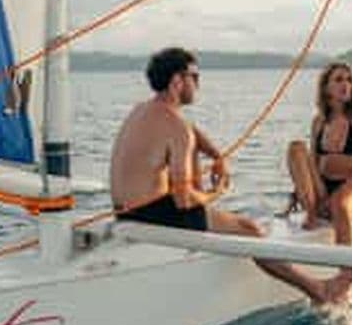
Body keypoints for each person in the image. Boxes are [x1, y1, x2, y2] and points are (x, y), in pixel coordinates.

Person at [111, 46, 333, 303]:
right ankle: (317, 289)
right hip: (155, 213)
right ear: (177, 81)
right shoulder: (176, 127)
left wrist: (216, 155)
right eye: (195, 77)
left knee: (192, 167)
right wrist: (215, 193)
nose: (198, 84)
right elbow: (183, 200)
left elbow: (189, 131)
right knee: (249, 229)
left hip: (125, 210)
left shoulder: (142, 110)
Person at [286, 60, 352, 299]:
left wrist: (340, 194)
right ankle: (312, 213)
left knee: (340, 204)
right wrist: (300, 191)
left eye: (349, 80)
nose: (346, 84)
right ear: (326, 89)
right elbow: (312, 163)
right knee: (296, 147)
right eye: (338, 80)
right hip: (324, 189)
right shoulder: (319, 122)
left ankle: (347, 276)